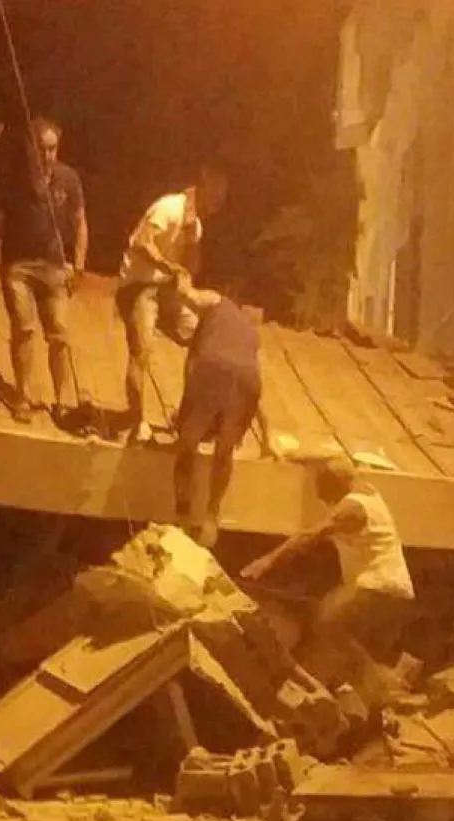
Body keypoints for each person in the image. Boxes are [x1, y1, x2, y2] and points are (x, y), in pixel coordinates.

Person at [240, 453, 414, 706]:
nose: (323, 501)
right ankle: (373, 692)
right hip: (395, 592)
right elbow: (342, 464)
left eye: (324, 493)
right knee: (338, 634)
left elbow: (311, 535)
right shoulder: (369, 494)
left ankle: (380, 682)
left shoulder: (352, 508)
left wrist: (267, 561)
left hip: (378, 587)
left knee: (326, 618)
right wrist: (301, 458)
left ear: (336, 488)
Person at [116, 162, 229, 444]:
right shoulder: (169, 206)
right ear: (204, 187)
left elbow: (191, 270)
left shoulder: (196, 225)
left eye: (222, 197)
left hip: (167, 290)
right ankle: (137, 420)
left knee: (205, 340)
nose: (219, 201)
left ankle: (189, 416)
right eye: (216, 193)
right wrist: (168, 267)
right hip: (138, 285)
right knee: (141, 351)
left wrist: (192, 243)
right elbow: (142, 242)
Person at [0, 116, 88, 416]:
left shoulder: (69, 179)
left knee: (60, 334)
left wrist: (78, 264)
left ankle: (62, 401)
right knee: (24, 328)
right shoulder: (12, 180)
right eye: (41, 149)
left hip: (55, 267)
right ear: (30, 148)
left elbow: (80, 223)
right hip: (19, 267)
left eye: (53, 149)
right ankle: (23, 396)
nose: (47, 156)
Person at [169, 281, 272, 548]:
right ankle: (212, 516)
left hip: (211, 369)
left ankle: (182, 513)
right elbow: (255, 398)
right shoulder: (251, 333)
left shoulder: (216, 301)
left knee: (186, 445)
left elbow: (190, 295)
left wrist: (179, 278)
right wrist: (267, 439)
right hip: (249, 380)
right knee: (224, 451)